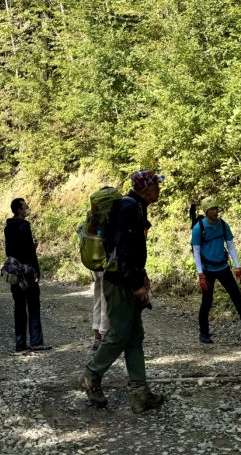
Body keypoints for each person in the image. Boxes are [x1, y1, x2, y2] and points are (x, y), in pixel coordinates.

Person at [80, 170, 165, 415]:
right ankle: (91, 375)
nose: (159, 189)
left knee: (134, 335)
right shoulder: (130, 208)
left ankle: (140, 393)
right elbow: (124, 251)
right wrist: (136, 284)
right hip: (119, 282)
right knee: (118, 334)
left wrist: (142, 275)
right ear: (144, 188)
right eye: (155, 185)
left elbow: (133, 250)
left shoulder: (135, 206)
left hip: (125, 278)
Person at [192, 196, 241, 346]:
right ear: (206, 211)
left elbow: (230, 246)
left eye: (216, 208)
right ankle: (204, 333)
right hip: (207, 270)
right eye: (212, 209)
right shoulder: (199, 228)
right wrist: (200, 274)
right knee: (207, 301)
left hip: (223, 267)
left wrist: (238, 266)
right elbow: (196, 252)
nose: (215, 211)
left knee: (238, 300)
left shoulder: (223, 225)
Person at [4, 198, 51, 353]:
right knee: (33, 306)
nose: (27, 208)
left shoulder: (8, 227)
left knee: (18, 306)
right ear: (19, 210)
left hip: (14, 270)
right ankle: (36, 342)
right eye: (25, 206)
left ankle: (20, 344)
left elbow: (9, 251)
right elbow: (29, 251)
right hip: (27, 270)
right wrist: (36, 270)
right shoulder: (25, 225)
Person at [91, 270, 109, 350]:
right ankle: (105, 337)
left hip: (95, 265)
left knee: (98, 300)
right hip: (107, 267)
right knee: (105, 301)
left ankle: (97, 338)